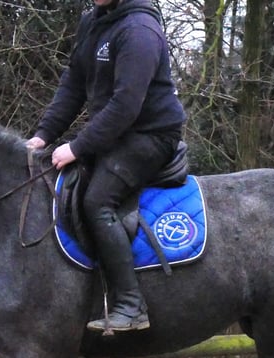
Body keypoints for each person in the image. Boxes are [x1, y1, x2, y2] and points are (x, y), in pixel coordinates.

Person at [26, 0, 186, 333]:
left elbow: (125, 105)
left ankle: (131, 305)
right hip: (117, 133)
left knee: (97, 201)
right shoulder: (93, 22)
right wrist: (43, 135)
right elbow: (73, 85)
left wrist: (77, 147)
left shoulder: (139, 30)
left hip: (151, 134)